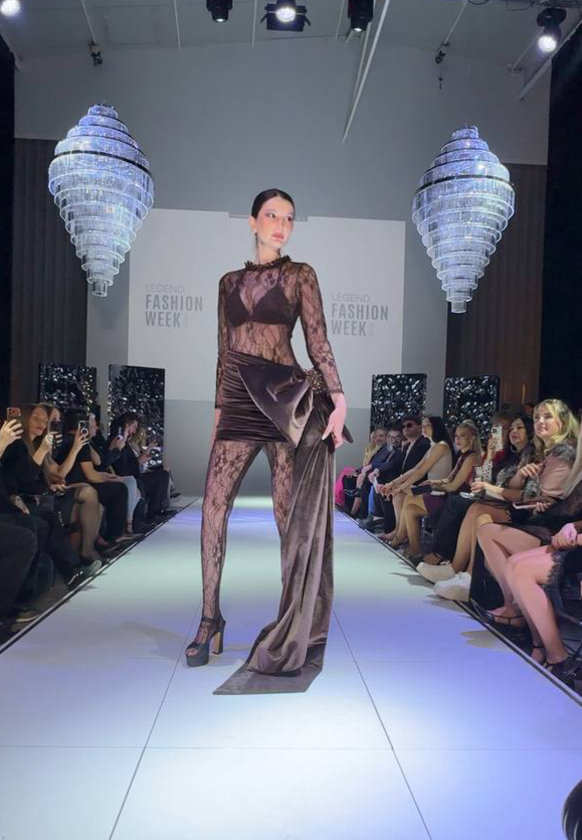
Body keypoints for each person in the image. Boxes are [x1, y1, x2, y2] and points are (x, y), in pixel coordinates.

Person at [185, 188, 348, 678]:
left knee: (285, 517)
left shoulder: (300, 275)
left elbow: (317, 340)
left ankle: (289, 626)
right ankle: (209, 619)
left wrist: (338, 397)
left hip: (281, 401)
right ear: (253, 221)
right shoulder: (227, 283)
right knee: (213, 508)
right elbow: (224, 351)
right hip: (238, 400)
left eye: (289, 218)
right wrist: (218, 412)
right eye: (272, 215)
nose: (281, 225)